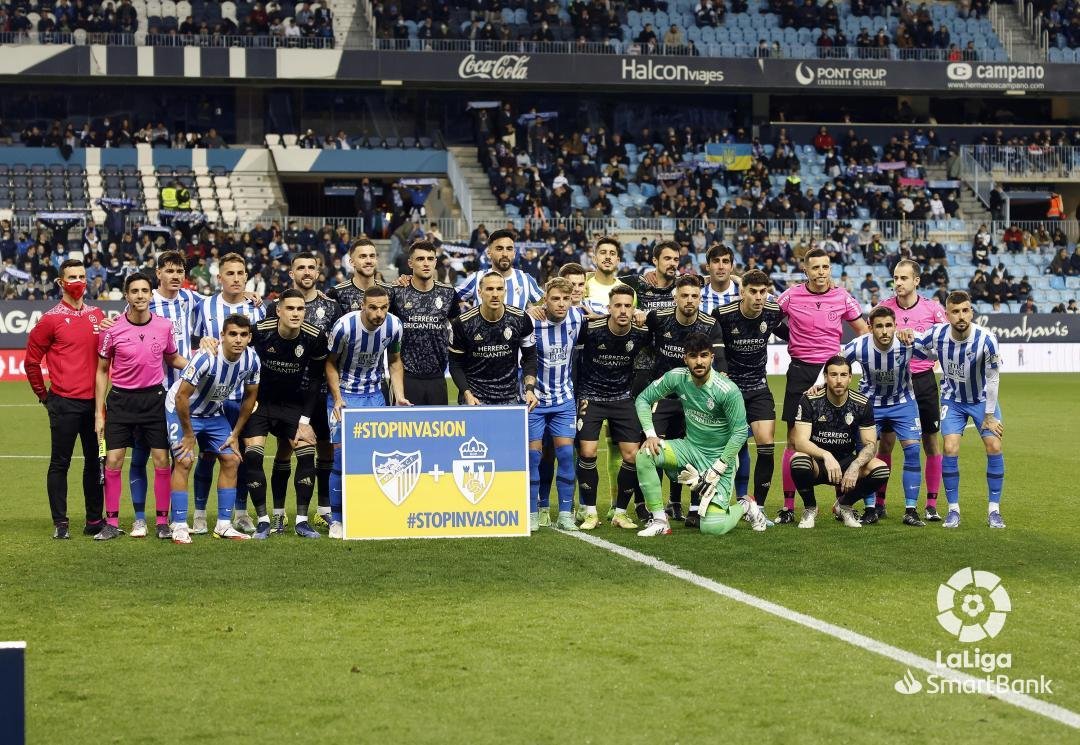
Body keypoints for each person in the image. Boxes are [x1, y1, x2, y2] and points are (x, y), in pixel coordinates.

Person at [634, 333, 767, 537]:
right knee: (645, 454)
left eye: (704, 355)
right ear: (685, 358)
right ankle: (660, 520)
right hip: (690, 450)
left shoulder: (727, 390)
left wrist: (718, 467)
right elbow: (643, 399)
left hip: (720, 459)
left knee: (712, 528)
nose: (699, 361)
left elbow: (740, 432)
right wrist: (650, 434)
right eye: (693, 356)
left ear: (712, 358)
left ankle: (745, 506)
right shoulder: (677, 377)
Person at [775, 247, 868, 524]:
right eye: (815, 268)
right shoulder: (791, 295)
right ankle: (789, 507)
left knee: (843, 435)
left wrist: (846, 362)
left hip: (832, 372)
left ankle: (843, 503)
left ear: (831, 269)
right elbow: (769, 321)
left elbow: (863, 330)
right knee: (793, 440)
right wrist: (791, 335)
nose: (821, 273)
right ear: (806, 270)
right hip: (801, 370)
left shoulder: (842, 296)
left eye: (825, 267)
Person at [94, 273, 187, 541]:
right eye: (134, 291)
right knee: (113, 461)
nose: (140, 295)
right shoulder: (112, 330)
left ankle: (161, 521)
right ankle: (111, 522)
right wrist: (99, 412)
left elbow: (172, 357)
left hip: (155, 401)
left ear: (150, 294)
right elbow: (102, 371)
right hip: (121, 401)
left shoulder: (164, 326)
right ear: (127, 296)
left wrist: (199, 367)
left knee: (161, 460)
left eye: (144, 290)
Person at [25, 259, 107, 539]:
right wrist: (43, 396)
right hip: (64, 402)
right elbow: (31, 362)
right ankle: (60, 523)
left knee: (96, 461)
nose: (78, 281)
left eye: (82, 276)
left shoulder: (98, 315)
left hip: (95, 405)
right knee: (60, 463)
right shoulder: (50, 319)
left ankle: (95, 521)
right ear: (60, 282)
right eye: (71, 276)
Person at [912, 291, 1006, 529]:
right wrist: (905, 335)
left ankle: (994, 510)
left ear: (971, 311)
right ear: (947, 315)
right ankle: (953, 510)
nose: (961, 316)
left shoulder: (987, 339)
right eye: (955, 311)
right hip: (953, 400)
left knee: (994, 445)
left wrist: (989, 415)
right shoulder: (938, 334)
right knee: (950, 447)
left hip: (982, 400)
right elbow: (917, 344)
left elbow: (993, 378)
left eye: (965, 310)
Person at [167, 315, 261, 543]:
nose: (238, 340)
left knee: (231, 460)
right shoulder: (205, 358)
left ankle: (224, 525)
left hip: (213, 412)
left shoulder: (251, 360)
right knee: (184, 460)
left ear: (249, 337)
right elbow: (181, 396)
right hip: (182, 410)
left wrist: (235, 434)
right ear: (222, 336)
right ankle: (178, 524)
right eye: (232, 334)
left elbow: (250, 397)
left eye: (243, 335)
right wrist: (189, 434)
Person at [190, 252, 266, 534]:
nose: (235, 278)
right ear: (219, 277)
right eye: (229, 273)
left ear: (246, 277)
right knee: (207, 456)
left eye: (240, 273)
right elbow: (195, 343)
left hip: (241, 395)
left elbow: (259, 349)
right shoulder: (204, 307)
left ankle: (241, 512)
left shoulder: (257, 309)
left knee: (239, 456)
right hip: (211, 396)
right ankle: (199, 513)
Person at [264, 252, 341, 529]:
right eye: (301, 268)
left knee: (325, 449)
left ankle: (323, 508)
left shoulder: (332, 307)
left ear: (318, 271)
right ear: (291, 273)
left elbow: (336, 352)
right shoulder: (274, 306)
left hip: (320, 392)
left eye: (311, 267)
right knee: (285, 447)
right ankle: (279, 512)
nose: (306, 272)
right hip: (288, 394)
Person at [128, 251, 202, 533]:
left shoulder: (190, 299)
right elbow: (125, 325)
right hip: (150, 391)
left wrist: (248, 293)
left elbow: (220, 303)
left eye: (179, 271)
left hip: (182, 392)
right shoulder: (148, 301)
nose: (175, 276)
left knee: (179, 457)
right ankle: (138, 517)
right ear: (157, 273)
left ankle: (172, 517)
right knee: (140, 455)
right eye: (169, 270)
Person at [325, 286, 407, 539]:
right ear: (362, 305)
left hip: (375, 397)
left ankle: (370, 514)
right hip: (345, 397)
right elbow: (329, 363)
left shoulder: (394, 326)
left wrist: (400, 396)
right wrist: (337, 398)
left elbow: (394, 361)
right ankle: (337, 520)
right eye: (373, 307)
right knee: (340, 459)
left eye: (383, 307)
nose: (379, 313)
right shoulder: (344, 327)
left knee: (379, 459)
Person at [245, 290, 328, 539]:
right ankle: (263, 521)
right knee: (253, 456)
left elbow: (315, 381)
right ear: (278, 310)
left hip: (293, 404)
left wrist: (305, 421)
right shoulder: (260, 330)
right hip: (261, 404)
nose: (295, 313)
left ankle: (302, 521)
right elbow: (236, 351)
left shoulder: (314, 336)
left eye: (300, 309)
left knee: (305, 452)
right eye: (290, 308)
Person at [644, 275, 726, 526]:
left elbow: (720, 364)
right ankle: (654, 509)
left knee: (693, 453)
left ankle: (692, 507)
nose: (689, 300)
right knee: (655, 451)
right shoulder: (657, 318)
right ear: (675, 296)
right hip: (664, 398)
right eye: (684, 295)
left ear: (700, 298)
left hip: (694, 401)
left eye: (695, 296)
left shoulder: (710, 324)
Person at [711, 269, 789, 518]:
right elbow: (718, 352)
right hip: (730, 389)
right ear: (742, 292)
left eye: (763, 292)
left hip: (758, 387)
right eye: (753, 291)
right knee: (735, 445)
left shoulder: (773, 312)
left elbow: (789, 332)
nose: (758, 297)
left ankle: (759, 507)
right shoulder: (723, 315)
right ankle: (735, 499)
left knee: (766, 444)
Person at [877, 258, 948, 521]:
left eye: (903, 278)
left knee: (930, 441)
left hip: (923, 380)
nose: (897, 283)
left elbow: (943, 343)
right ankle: (880, 502)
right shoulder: (884, 309)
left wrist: (916, 339)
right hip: (892, 383)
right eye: (895, 278)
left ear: (916, 281)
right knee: (885, 443)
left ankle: (931, 504)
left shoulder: (933, 310)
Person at [841, 306, 926, 526]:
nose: (885, 331)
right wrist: (817, 387)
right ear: (870, 328)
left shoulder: (906, 344)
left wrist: (914, 334)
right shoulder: (859, 346)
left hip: (903, 402)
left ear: (895, 326)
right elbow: (837, 365)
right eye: (879, 326)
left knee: (914, 450)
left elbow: (935, 350)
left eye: (889, 325)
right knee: (866, 453)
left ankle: (911, 510)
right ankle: (870, 508)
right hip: (870, 405)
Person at [574, 284, 649, 530]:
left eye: (628, 306)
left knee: (632, 455)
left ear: (634, 308)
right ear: (609, 308)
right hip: (591, 396)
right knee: (587, 451)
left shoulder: (640, 332)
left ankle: (619, 512)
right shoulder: (591, 328)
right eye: (618, 305)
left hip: (622, 398)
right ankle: (591, 513)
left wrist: (646, 316)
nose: (623, 310)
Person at [789, 356, 891, 528]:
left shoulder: (862, 404)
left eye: (843, 375)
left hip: (846, 462)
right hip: (818, 463)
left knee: (881, 470)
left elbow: (870, 445)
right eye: (833, 375)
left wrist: (856, 464)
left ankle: (844, 505)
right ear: (825, 377)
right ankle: (810, 508)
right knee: (798, 461)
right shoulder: (810, 400)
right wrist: (826, 455)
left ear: (850, 377)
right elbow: (799, 442)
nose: (838, 380)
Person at [526, 277, 584, 532]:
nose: (561, 304)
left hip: (564, 400)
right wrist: (528, 311)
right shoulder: (530, 321)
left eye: (566, 299)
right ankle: (532, 512)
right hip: (534, 401)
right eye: (555, 299)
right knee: (533, 457)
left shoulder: (578, 318)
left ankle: (565, 513)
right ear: (545, 300)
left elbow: (605, 314)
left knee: (566, 456)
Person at [386, 240, 461, 405]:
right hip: (405, 377)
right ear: (410, 263)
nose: (426, 263)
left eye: (430, 258)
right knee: (403, 430)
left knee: (438, 430)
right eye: (420, 259)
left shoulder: (448, 293)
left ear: (436, 262)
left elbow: (458, 329)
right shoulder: (397, 292)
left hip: (437, 377)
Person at [448, 272, 538, 407]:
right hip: (475, 400)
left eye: (499, 289)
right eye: (489, 289)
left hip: (510, 399)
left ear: (505, 291)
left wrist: (529, 390)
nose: (495, 294)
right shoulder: (462, 323)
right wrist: (467, 393)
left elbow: (530, 357)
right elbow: (455, 364)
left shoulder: (520, 319)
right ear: (479, 292)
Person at [453, 229, 542, 310]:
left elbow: (546, 304)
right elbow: (448, 299)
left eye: (509, 249)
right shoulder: (477, 278)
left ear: (514, 253)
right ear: (489, 253)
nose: (505, 254)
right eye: (499, 249)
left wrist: (533, 310)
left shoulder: (525, 279)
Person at [328, 238, 380, 314]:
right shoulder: (337, 293)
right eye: (363, 256)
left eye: (372, 256)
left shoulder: (389, 292)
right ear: (352, 262)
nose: (368, 261)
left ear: (376, 260)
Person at [583, 236, 622, 314]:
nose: (608, 257)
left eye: (612, 253)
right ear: (594, 259)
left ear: (617, 261)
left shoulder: (625, 290)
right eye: (603, 252)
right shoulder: (581, 285)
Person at [699, 244, 741, 314]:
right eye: (716, 261)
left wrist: (740, 281)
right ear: (707, 266)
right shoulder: (696, 295)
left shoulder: (743, 293)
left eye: (725, 262)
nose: (721, 267)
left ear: (731, 267)